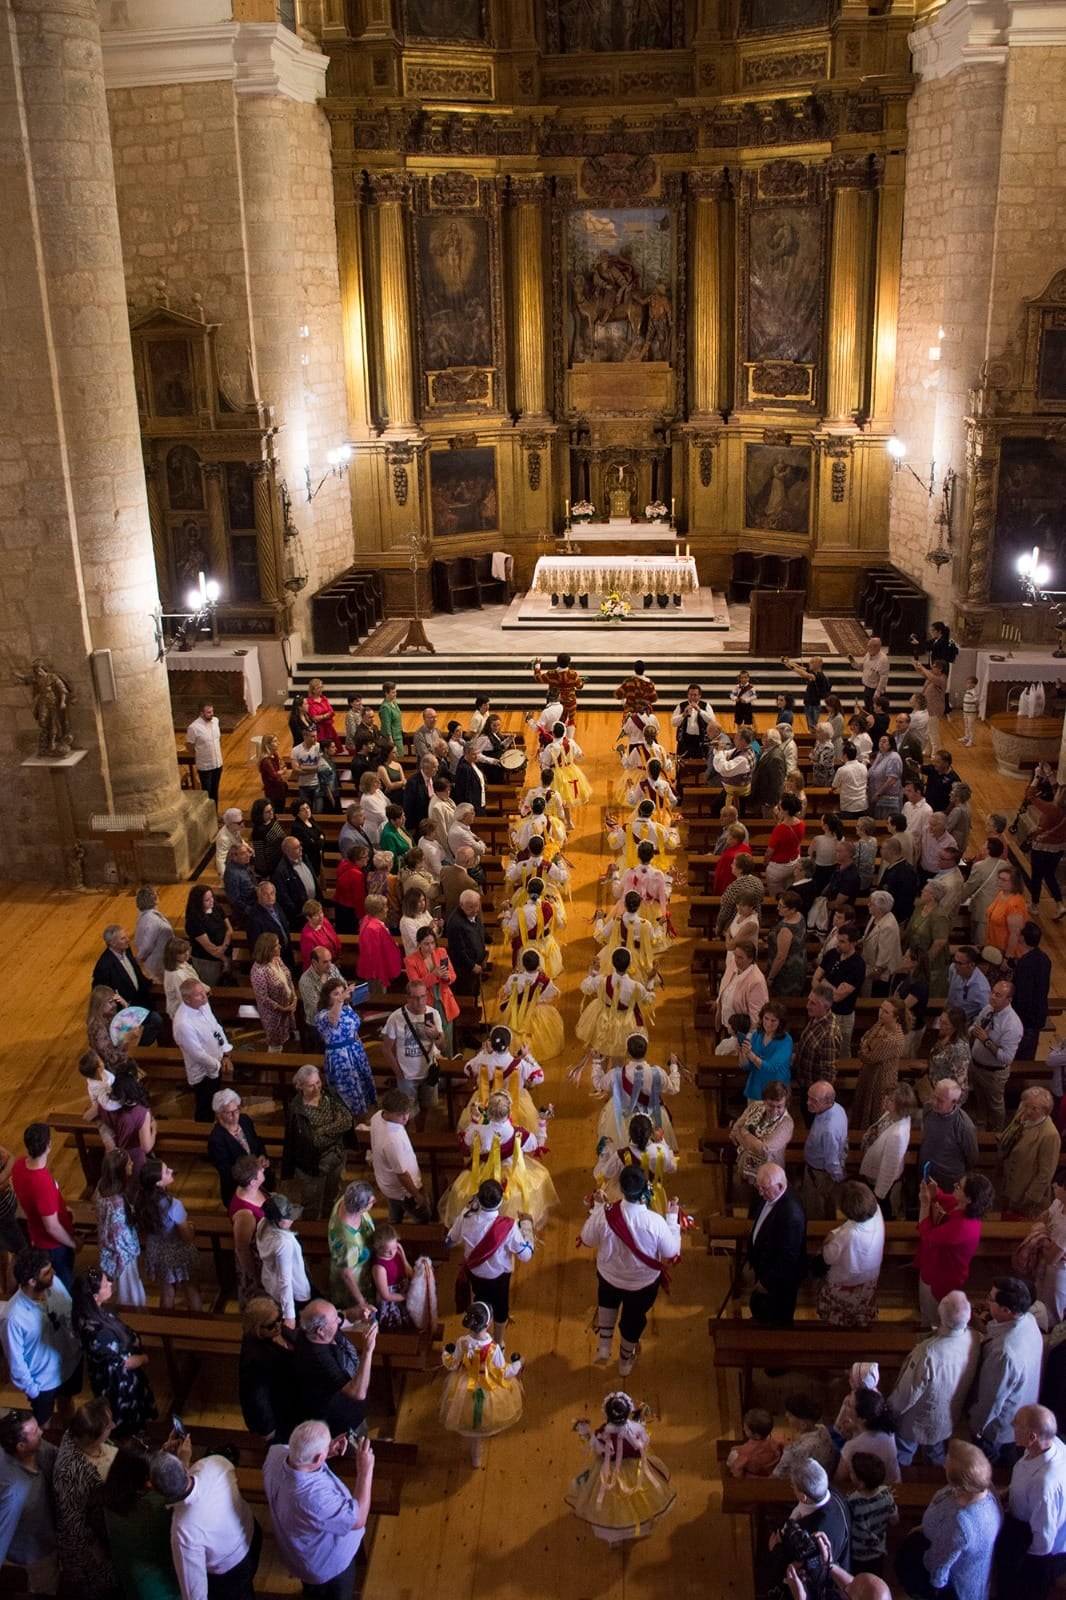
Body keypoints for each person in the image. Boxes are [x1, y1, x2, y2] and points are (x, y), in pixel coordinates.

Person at [580, 1164, 680, 1376]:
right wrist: (672, 1219)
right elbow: (671, 1252)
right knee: (633, 1319)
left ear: (622, 1189)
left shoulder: (605, 1214)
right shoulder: (656, 1222)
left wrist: (598, 1208)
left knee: (607, 1303)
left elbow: (587, 1239)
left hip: (609, 1276)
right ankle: (625, 1361)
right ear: (645, 1189)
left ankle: (604, 1347)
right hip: (642, 1283)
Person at [263, 1423, 374, 1600]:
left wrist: (326, 1452)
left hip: (301, 1551)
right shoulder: (313, 1498)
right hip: (328, 1566)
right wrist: (365, 1471)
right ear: (316, 1459)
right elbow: (358, 1519)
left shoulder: (275, 1454)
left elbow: (303, 1460)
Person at [151, 1433, 261, 1600]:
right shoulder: (214, 1464)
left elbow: (194, 1593)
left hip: (230, 1572)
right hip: (251, 1534)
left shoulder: (183, 1530)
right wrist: (183, 1461)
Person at [895, 1441, 1001, 1600]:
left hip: (955, 1582)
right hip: (934, 1543)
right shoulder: (982, 1488)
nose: (944, 1466)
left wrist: (934, 1589)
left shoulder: (962, 1523)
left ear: (961, 1485)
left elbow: (940, 1564)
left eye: (947, 1464)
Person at [566, 1390, 675, 1545]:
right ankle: (637, 1528)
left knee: (610, 1507)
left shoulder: (601, 1434)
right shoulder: (636, 1429)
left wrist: (584, 1434)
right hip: (634, 1470)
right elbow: (645, 1442)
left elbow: (593, 1449)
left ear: (607, 1414)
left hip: (607, 1472)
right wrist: (640, 1424)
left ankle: (614, 1537)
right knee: (640, 1503)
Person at [889, 1289, 980, 1467]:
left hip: (916, 1420)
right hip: (947, 1414)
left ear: (941, 1317)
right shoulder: (974, 1338)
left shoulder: (928, 1353)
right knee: (936, 1452)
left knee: (902, 1454)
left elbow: (908, 1393)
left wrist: (891, 1411)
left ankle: (901, 1485)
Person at [445, 1177, 534, 1348]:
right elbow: (526, 1255)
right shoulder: (508, 1226)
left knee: (480, 1302)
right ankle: (498, 1342)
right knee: (501, 1309)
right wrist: (527, 1226)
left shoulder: (465, 1215)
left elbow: (450, 1240)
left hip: (475, 1273)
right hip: (498, 1277)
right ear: (501, 1201)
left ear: (478, 1197)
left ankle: (477, 1338)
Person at [69, 1267, 154, 1440]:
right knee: (125, 1423)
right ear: (94, 1297)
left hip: (118, 1376)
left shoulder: (92, 1311)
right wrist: (144, 1358)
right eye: (104, 1283)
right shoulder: (96, 1330)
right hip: (117, 1383)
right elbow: (125, 1361)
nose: (109, 1283)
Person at [1, 1248, 82, 1426]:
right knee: (42, 1426)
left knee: (67, 1405)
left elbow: (68, 1312)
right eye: (47, 1272)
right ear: (32, 1281)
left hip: (66, 1366)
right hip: (43, 1380)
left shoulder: (53, 1283)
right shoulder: (13, 1317)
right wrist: (33, 1390)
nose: (53, 1273)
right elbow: (16, 1361)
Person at [968, 1277, 1044, 1463]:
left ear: (1006, 1310)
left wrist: (978, 1428)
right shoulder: (1029, 1320)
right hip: (1021, 1411)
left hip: (996, 1429)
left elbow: (992, 1398)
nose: (987, 1302)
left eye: (991, 1299)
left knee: (988, 1468)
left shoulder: (1005, 1353)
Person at [994, 1404, 1066, 1598]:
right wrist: (1009, 1492)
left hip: (1036, 1543)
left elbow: (1044, 1535)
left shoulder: (1044, 1483)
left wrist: (1027, 1563)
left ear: (1032, 1437)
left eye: (1017, 1424)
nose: (1012, 1424)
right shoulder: (1048, 1443)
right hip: (1027, 1520)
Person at [915, 1171, 992, 1326]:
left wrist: (924, 1204)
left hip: (941, 1274)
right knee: (926, 1305)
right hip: (934, 1263)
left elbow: (928, 1235)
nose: (954, 1187)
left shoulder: (964, 1226)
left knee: (935, 1313)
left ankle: (932, 1332)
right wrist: (936, 1194)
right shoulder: (962, 1206)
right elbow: (947, 1201)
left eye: (959, 1187)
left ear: (969, 1198)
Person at [292, 1301, 377, 1436]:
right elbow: (358, 1393)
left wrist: (357, 1314)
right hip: (343, 1426)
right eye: (335, 1319)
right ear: (320, 1331)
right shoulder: (318, 1358)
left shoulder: (318, 1330)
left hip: (354, 1411)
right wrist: (368, 1350)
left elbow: (345, 1316)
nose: (339, 1320)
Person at [12, 1123, 78, 1289]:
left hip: (36, 1233)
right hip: (54, 1245)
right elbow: (52, 1227)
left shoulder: (19, 1165)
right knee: (63, 1286)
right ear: (49, 1145)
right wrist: (72, 1243)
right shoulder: (42, 1183)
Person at [282, 1065, 351, 1221]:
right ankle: (311, 1230)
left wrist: (327, 1131)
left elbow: (346, 1121)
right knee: (311, 1203)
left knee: (332, 1197)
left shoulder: (330, 1096)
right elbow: (301, 1140)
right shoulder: (296, 1110)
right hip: (311, 1165)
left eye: (318, 1082)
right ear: (300, 1086)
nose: (316, 1088)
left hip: (335, 1157)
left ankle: (328, 1223)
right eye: (311, 1085)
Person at [0, 1409, 59, 1593]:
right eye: (35, 1431)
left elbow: (55, 1454)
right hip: (36, 1554)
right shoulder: (17, 1492)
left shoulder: (35, 1449)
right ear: (21, 1447)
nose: (41, 1431)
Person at [135, 1160, 202, 1313]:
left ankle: (166, 1329)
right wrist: (192, 1227)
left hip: (157, 1251)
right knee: (191, 1289)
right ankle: (200, 1328)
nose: (171, 1170)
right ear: (158, 1183)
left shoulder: (142, 1200)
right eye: (166, 1171)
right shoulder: (173, 1205)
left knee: (167, 1292)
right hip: (178, 1252)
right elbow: (187, 1236)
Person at [815, 1181, 885, 1327]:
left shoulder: (847, 1235)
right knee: (861, 1310)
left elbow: (828, 1257)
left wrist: (829, 1238)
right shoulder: (876, 1211)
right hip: (869, 1277)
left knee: (840, 1316)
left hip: (845, 1281)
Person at [746, 1162, 807, 1326]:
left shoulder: (791, 1213)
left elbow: (788, 1257)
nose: (760, 1193)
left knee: (775, 1320)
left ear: (779, 1186)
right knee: (761, 1311)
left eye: (764, 1189)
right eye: (759, 1187)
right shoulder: (772, 1195)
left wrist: (766, 1282)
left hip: (778, 1283)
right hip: (765, 1269)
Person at [380, 980, 444, 1124]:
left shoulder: (433, 1014)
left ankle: (420, 1134)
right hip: (406, 1076)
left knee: (426, 1107)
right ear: (408, 998)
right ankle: (407, 1137)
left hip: (428, 1071)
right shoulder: (396, 1017)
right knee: (406, 1112)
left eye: (423, 996)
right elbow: (386, 1048)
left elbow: (442, 1046)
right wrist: (398, 1072)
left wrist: (436, 1035)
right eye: (415, 997)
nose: (420, 1001)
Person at [172, 978, 233, 1123]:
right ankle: (204, 1133)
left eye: (203, 992)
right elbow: (198, 1054)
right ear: (186, 999)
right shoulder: (183, 1023)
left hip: (217, 1061)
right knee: (204, 1106)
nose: (204, 997)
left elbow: (216, 1028)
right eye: (199, 995)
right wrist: (219, 1065)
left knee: (215, 1099)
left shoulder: (202, 1004)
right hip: (203, 1072)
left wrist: (225, 1053)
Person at [366, 1088, 430, 1224]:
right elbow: (402, 1175)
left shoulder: (377, 1117)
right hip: (404, 1191)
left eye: (407, 1112)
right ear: (388, 1113)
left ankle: (395, 1225)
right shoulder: (392, 1140)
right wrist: (417, 1195)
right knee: (423, 1216)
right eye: (401, 1115)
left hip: (388, 1183)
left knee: (395, 1213)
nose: (406, 1118)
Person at [316, 977, 376, 1118]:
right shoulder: (323, 1015)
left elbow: (353, 1024)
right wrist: (340, 999)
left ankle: (363, 1117)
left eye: (341, 992)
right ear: (327, 997)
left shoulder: (346, 1007)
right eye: (335, 994)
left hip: (355, 1050)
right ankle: (348, 1120)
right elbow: (333, 1019)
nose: (340, 996)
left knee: (361, 1086)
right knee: (347, 1092)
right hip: (340, 1056)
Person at [969, 978, 1023, 1130]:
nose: (992, 997)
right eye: (992, 992)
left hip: (994, 1074)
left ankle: (997, 1132)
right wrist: (972, 1031)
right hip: (976, 1066)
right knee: (979, 1099)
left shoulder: (1012, 1024)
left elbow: (1006, 1058)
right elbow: (975, 1025)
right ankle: (981, 1125)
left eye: (998, 995)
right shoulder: (988, 1009)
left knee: (995, 1105)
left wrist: (987, 1041)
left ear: (1009, 1000)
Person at [90, 925, 161, 1040]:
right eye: (123, 938)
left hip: (140, 1000)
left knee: (156, 1020)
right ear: (112, 943)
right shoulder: (104, 967)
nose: (128, 940)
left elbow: (135, 972)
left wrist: (149, 983)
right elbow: (100, 994)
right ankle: (140, 1050)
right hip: (123, 1010)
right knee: (155, 1020)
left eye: (126, 936)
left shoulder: (126, 949)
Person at [999, 1086, 1060, 1218]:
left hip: (1025, 1195)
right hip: (1010, 1185)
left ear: (1046, 1111)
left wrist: (1028, 1199)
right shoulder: (1023, 1115)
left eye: (1034, 1108)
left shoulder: (1049, 1134)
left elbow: (1045, 1174)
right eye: (1026, 1105)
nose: (1027, 1111)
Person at [94, 1149, 145, 1307]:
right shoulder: (117, 1202)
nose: (132, 1164)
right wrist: (129, 1254)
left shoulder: (102, 1187)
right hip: (122, 1257)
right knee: (130, 1294)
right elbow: (117, 1236)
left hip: (110, 1252)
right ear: (121, 1170)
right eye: (129, 1163)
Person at [859, 1083, 917, 1219]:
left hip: (880, 1179)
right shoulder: (891, 1114)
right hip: (875, 1166)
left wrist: (878, 1194)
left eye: (890, 1100)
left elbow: (889, 1168)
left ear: (901, 1106)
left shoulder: (897, 1135)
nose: (885, 1100)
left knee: (881, 1210)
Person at [205, 1090, 269, 1210]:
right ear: (218, 1114)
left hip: (258, 1183)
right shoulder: (217, 1138)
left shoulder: (244, 1120)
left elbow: (257, 1141)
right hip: (239, 1189)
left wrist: (262, 1155)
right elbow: (226, 1170)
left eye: (236, 1110)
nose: (235, 1116)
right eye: (229, 1113)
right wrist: (252, 1171)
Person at [257, 1194, 312, 1329]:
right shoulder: (283, 1242)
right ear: (276, 1220)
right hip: (294, 1292)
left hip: (270, 1282)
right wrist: (290, 1316)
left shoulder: (263, 1223)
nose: (292, 1219)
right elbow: (285, 1280)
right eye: (287, 1217)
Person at [849, 997, 905, 1129]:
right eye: (881, 1009)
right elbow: (865, 1037)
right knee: (862, 1104)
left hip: (881, 1078)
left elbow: (868, 1057)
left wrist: (865, 1046)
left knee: (875, 1109)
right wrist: (866, 1045)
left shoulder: (894, 1039)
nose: (881, 1013)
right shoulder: (881, 1024)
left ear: (895, 1017)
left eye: (886, 1012)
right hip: (869, 1073)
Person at [730, 1083, 794, 1195]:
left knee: (764, 1196)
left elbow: (764, 1150)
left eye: (779, 1106)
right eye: (771, 1105)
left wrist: (744, 1133)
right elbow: (737, 1127)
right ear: (764, 1101)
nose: (774, 1110)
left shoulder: (786, 1123)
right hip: (746, 1160)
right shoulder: (756, 1106)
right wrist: (748, 1138)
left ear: (786, 1105)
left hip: (769, 1169)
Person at [326, 1181, 376, 1317]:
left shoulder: (347, 1199)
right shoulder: (348, 1241)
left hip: (360, 1268)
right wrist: (361, 1301)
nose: (375, 1201)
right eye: (371, 1202)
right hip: (353, 1282)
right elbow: (347, 1275)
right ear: (360, 1209)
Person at [800, 1082, 848, 1221]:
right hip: (821, 1168)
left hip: (819, 1174)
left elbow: (831, 1161)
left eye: (813, 1100)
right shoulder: (837, 1107)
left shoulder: (829, 1129)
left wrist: (837, 1180)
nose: (808, 1102)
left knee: (815, 1209)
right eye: (808, 1097)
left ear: (828, 1102)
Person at [249, 932, 297, 1052]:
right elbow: (263, 998)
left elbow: (288, 978)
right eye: (276, 945)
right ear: (268, 949)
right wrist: (282, 1008)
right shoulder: (259, 971)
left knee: (286, 1037)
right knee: (275, 1044)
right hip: (273, 1014)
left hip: (287, 1006)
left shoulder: (277, 959)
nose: (280, 947)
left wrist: (294, 997)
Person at [1014, 920, 1053, 1059]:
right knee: (1030, 1052)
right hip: (1038, 1014)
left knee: (1021, 1055)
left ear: (1022, 938)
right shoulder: (1044, 958)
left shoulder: (1026, 964)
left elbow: (1023, 995)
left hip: (1025, 1020)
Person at [184, 884, 234, 984]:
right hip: (207, 960)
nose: (211, 901)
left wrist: (224, 947)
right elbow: (208, 946)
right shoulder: (194, 920)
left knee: (225, 981)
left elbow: (229, 929)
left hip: (224, 951)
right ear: (198, 903)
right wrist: (224, 959)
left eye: (211, 897)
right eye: (207, 900)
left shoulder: (216, 908)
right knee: (211, 984)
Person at [985, 862, 1028, 960]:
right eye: (999, 878)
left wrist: (1008, 957)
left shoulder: (1015, 904)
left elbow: (1015, 934)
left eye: (1004, 880)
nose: (999, 882)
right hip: (994, 946)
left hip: (1005, 951)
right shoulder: (1001, 894)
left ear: (1014, 883)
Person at [726, 1408, 783, 1479]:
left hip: (754, 1480)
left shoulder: (746, 1453)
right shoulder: (774, 1443)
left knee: (732, 1456)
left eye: (746, 1429)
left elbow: (737, 1470)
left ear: (756, 1435)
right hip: (770, 1473)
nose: (743, 1429)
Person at [133, 887, 174, 983]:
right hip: (159, 960)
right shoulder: (153, 921)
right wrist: (139, 958)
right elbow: (147, 945)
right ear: (154, 900)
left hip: (158, 958)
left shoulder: (144, 915)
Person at [185, 702, 223, 803]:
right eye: (208, 712)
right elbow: (189, 745)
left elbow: (218, 740)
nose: (212, 714)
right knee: (207, 793)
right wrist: (200, 754)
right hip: (205, 766)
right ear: (201, 713)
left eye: (212, 711)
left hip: (218, 763)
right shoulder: (194, 728)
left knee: (215, 792)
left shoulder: (216, 721)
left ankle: (214, 813)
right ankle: (208, 815)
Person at [946, 945, 990, 1024]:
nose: (955, 965)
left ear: (971, 965)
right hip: (949, 1014)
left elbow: (988, 1013)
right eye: (954, 960)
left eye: (959, 963)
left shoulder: (981, 989)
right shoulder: (953, 968)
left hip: (965, 1023)